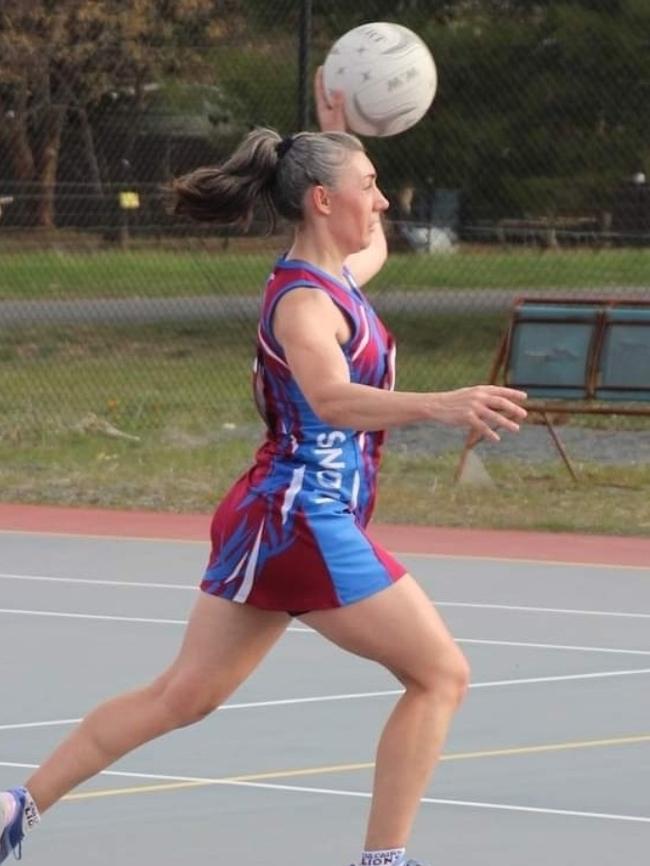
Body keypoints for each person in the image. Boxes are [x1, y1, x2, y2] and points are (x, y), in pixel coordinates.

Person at [0, 70, 527, 866]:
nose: (382, 202)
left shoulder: (336, 280)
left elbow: (373, 244)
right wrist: (439, 403)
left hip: (275, 516)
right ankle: (384, 860)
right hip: (301, 517)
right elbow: (329, 396)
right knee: (441, 675)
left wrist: (340, 130)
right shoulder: (303, 303)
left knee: (183, 697)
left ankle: (15, 806)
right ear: (323, 200)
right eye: (370, 186)